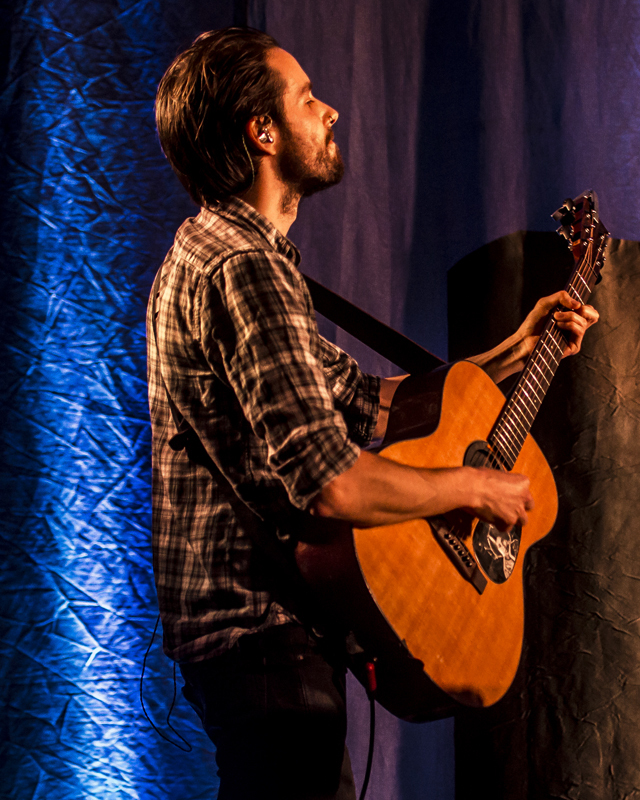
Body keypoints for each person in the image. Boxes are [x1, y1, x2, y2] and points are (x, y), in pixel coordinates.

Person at [148, 27, 598, 800]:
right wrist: (475, 489)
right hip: (261, 635)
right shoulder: (243, 265)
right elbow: (331, 483)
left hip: (269, 641)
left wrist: (517, 350)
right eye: (307, 98)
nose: (330, 113)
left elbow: (364, 402)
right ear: (262, 133)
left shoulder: (231, 254)